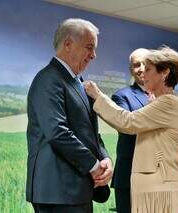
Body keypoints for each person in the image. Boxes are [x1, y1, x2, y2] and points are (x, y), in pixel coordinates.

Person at [85, 46, 178, 213]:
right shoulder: (165, 103)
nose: (143, 73)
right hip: (157, 184)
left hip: (158, 187)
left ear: (165, 73)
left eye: (148, 69)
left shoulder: (168, 103)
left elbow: (128, 122)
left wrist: (98, 96)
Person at [26, 18, 113, 213]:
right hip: (58, 191)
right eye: (89, 47)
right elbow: (57, 132)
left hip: (77, 190)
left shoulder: (78, 82)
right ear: (67, 44)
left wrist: (105, 158)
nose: (93, 55)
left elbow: (90, 132)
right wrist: (94, 166)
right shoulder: (48, 79)